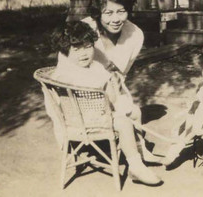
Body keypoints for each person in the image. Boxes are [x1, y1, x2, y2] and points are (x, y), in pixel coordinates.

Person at [48, 20, 163, 186]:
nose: (84, 53)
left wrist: (112, 84)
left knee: (135, 111)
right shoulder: (66, 74)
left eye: (88, 47)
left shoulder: (94, 67)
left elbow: (111, 95)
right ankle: (136, 165)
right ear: (65, 51)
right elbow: (103, 98)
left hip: (97, 113)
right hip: (82, 120)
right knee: (124, 122)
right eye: (76, 49)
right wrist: (110, 90)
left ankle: (139, 151)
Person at [82, 0, 143, 75]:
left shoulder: (135, 35)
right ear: (98, 13)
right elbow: (65, 69)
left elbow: (120, 75)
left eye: (121, 12)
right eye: (108, 13)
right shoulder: (82, 30)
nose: (116, 20)